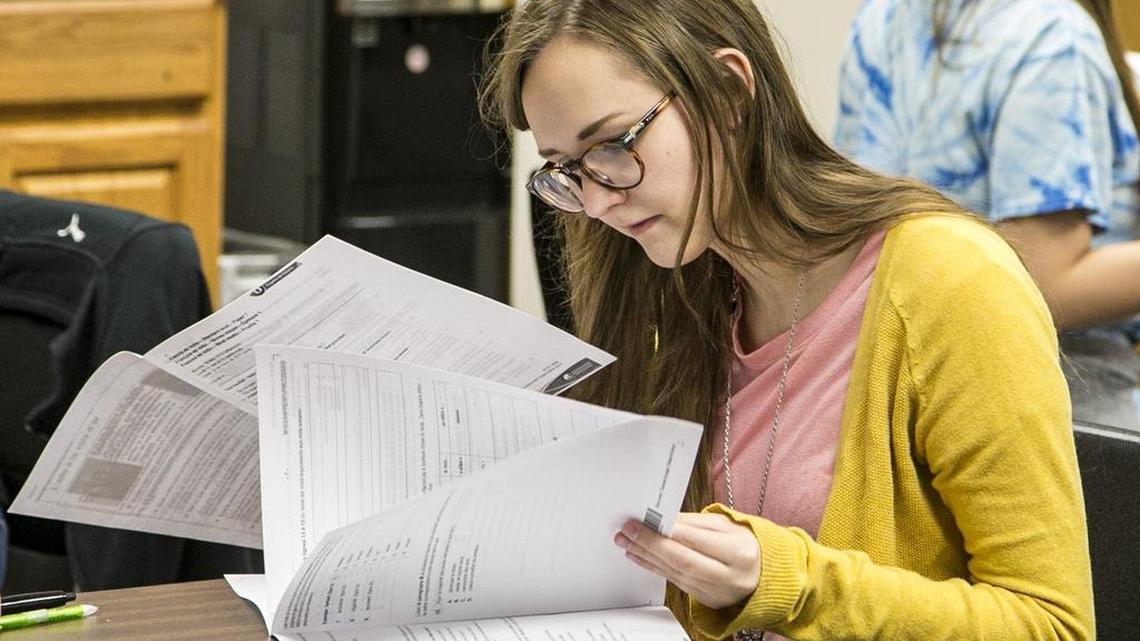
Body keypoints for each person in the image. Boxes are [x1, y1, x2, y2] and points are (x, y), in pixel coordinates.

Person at [479, 1, 1092, 639]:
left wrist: (783, 581)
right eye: (569, 171)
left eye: (613, 145)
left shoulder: (949, 280)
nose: (600, 199)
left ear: (729, 91)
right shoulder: (680, 295)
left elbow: (1051, 626)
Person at [835, 0, 1140, 430]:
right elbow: (1043, 284)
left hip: (908, 389)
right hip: (1060, 398)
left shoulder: (883, 17)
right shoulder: (1050, 38)